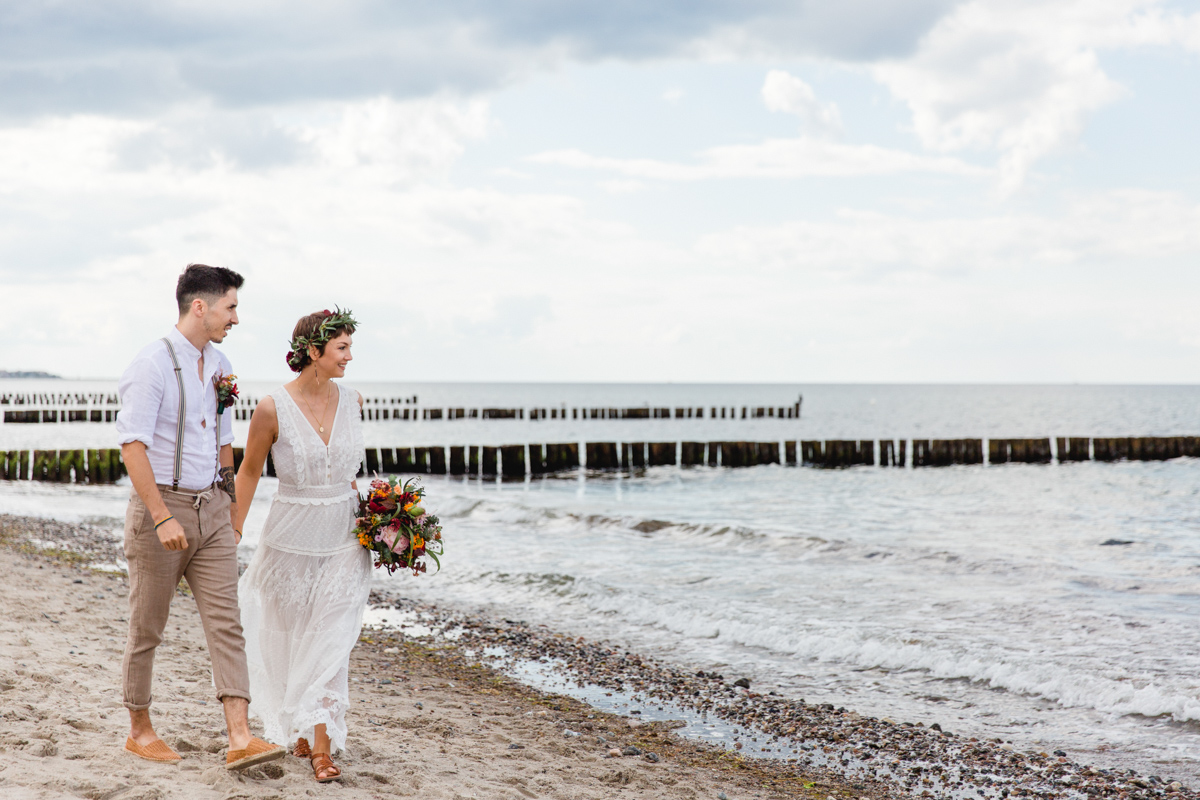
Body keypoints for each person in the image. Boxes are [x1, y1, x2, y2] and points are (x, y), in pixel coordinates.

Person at [116, 264, 285, 770]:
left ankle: (240, 736)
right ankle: (139, 730)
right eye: (230, 307)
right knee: (147, 626)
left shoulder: (220, 362)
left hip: (211, 508)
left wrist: (230, 510)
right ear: (200, 307)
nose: (235, 318)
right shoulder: (151, 364)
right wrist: (162, 516)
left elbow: (226, 440)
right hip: (162, 511)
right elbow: (132, 445)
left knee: (226, 623)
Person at [233, 308, 370, 784]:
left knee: (332, 638)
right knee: (292, 638)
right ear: (314, 351)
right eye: (342, 348)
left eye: (350, 347)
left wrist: (384, 522)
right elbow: (249, 471)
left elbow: (350, 475)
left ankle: (322, 747)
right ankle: (302, 728)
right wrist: (233, 529)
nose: (350, 357)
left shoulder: (353, 400)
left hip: (344, 539)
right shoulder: (272, 407)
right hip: (290, 537)